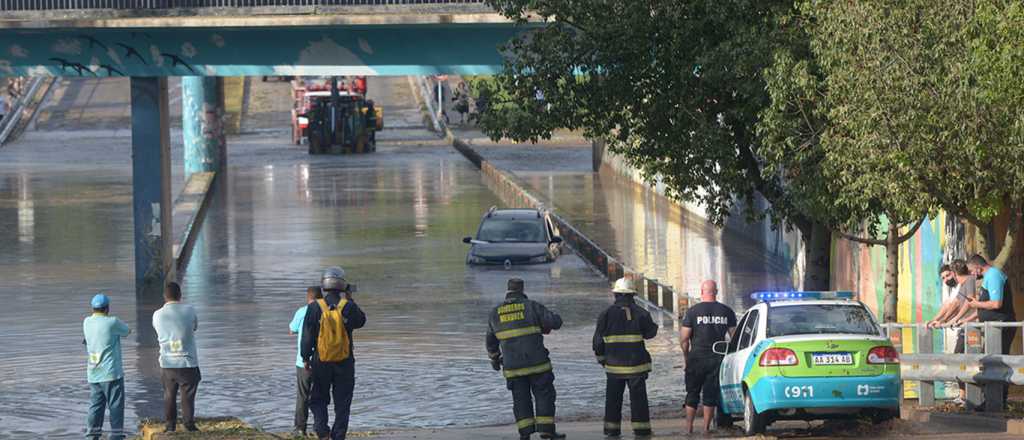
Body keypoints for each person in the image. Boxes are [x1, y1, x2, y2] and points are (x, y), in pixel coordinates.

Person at [486, 278, 566, 440]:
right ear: (522, 290)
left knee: (520, 400)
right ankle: (546, 431)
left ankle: (525, 434)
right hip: (538, 365)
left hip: (513, 368)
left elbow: (490, 341)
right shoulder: (532, 306)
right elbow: (555, 322)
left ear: (507, 291)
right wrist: (555, 317)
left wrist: (495, 359)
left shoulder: (495, 313)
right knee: (544, 395)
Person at [302, 267, 366, 440]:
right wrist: (350, 299)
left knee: (318, 399)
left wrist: (305, 358)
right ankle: (338, 436)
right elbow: (361, 321)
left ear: (324, 285)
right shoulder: (348, 307)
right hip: (344, 361)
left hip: (321, 360)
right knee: (343, 402)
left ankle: (322, 432)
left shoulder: (315, 307)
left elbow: (307, 335)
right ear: (343, 286)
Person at [593, 278, 658, 438]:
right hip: (637, 367)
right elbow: (650, 333)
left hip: (614, 368)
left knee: (613, 401)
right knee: (639, 401)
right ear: (633, 295)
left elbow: (597, 342)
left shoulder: (605, 314)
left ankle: (611, 431)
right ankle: (642, 431)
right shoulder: (642, 313)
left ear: (616, 294)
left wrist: (602, 360)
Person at [679, 280, 736, 434]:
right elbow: (734, 338)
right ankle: (706, 429)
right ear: (716, 292)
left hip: (696, 358)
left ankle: (689, 428)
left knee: (692, 393)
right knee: (710, 395)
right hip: (717, 359)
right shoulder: (727, 311)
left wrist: (686, 357)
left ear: (701, 292)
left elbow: (684, 339)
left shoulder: (692, 312)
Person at [966, 254, 1016, 410]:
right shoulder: (989, 276)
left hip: (1000, 327)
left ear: (978, 267)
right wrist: (971, 316)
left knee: (997, 364)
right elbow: (984, 306)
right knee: (990, 363)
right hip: (993, 327)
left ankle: (998, 402)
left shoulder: (993, 275)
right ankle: (992, 400)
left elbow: (996, 303)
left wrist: (976, 304)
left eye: (972, 271)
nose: (972, 274)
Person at [152, 282, 201, 433]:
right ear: (180, 295)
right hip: (188, 363)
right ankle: (188, 424)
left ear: (164, 297)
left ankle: (170, 426)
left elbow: (157, 331)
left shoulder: (157, 314)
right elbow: (194, 327)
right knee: (188, 395)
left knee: (169, 394)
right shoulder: (190, 310)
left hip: (167, 363)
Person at [926, 260, 977, 404]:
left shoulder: (968, 282)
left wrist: (946, 321)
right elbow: (950, 305)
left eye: (948, 276)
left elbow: (964, 304)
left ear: (954, 273)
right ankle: (963, 396)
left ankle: (968, 396)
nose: (946, 280)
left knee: (962, 359)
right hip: (964, 327)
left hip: (972, 327)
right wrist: (938, 320)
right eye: (943, 278)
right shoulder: (960, 286)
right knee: (959, 359)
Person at [83, 293, 131, 440]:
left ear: (93, 308)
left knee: (95, 408)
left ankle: (92, 436)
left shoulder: (86, 322)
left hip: (93, 374)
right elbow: (127, 331)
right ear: (107, 308)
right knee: (116, 408)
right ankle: (116, 437)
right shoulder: (112, 322)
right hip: (111, 374)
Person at [291, 286, 323, 437]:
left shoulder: (302, 311)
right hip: (323, 360)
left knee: (302, 396)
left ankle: (300, 428)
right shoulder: (327, 310)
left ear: (308, 298)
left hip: (303, 362)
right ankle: (320, 427)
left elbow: (292, 329)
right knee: (320, 395)